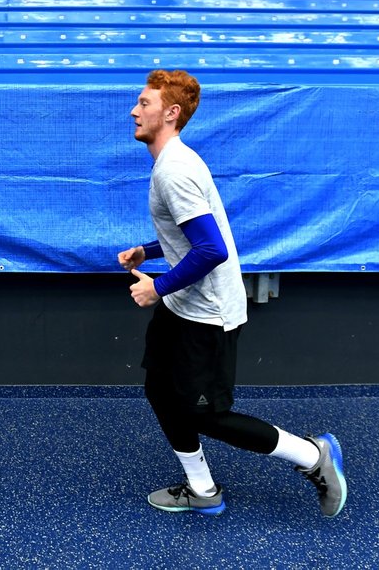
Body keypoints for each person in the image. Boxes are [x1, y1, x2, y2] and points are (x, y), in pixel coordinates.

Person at [119, 69, 346, 518]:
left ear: (171, 112)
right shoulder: (171, 162)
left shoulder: (175, 172)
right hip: (182, 307)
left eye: (144, 103)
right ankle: (202, 489)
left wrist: (157, 286)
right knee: (161, 391)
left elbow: (211, 249)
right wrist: (148, 250)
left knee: (205, 414)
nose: (134, 110)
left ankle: (312, 455)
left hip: (207, 315)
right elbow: (196, 236)